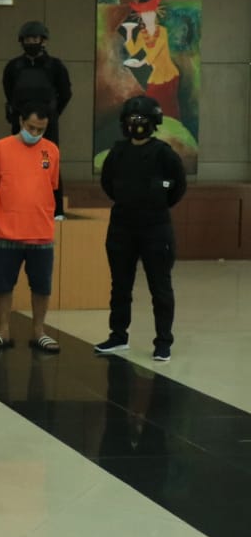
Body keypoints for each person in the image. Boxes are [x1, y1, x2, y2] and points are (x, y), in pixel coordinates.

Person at [94, 96, 187, 362]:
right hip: (122, 226)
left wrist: (155, 202)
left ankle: (163, 342)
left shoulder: (164, 153)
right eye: (132, 120)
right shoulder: (117, 152)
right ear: (124, 124)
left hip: (156, 228)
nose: (136, 124)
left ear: (153, 122)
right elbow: (108, 183)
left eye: (142, 120)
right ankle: (118, 336)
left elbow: (177, 187)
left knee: (160, 287)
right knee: (120, 286)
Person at [0, 101, 61, 353]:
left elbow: (51, 187)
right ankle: (3, 330)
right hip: (6, 232)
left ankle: (39, 331)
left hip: (41, 232)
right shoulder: (0, 148)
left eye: (40, 130)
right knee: (3, 284)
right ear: (20, 122)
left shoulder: (52, 151)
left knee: (42, 285)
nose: (34, 133)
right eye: (31, 127)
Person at [2, 20, 72, 218]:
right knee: (17, 164)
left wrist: (52, 114)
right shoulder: (13, 67)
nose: (31, 42)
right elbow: (9, 92)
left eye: (35, 38)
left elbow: (65, 93)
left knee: (50, 164)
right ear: (21, 41)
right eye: (27, 39)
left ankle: (56, 210)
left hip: (47, 123)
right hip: (20, 122)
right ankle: (18, 204)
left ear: (43, 41)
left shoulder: (55, 66)